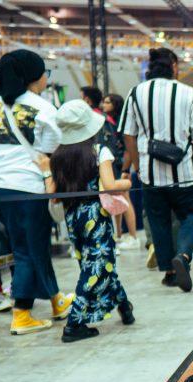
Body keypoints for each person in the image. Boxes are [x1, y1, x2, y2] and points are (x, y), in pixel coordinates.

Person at [0, 49, 74, 335]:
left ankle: (56, 300)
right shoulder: (43, 107)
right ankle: (22, 313)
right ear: (34, 77)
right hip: (28, 188)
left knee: (34, 245)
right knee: (27, 249)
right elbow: (54, 149)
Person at [119, 47, 193, 292]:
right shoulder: (189, 93)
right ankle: (183, 255)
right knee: (192, 213)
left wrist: (138, 165)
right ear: (174, 66)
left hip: (151, 174)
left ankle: (170, 273)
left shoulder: (135, 93)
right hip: (185, 174)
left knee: (158, 221)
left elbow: (128, 134)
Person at [44, 99, 134, 342]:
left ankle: (125, 307)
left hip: (73, 217)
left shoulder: (58, 156)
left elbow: (53, 194)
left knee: (97, 263)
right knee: (95, 267)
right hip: (96, 216)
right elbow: (111, 185)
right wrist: (127, 183)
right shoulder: (99, 152)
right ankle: (74, 325)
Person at [100, 93, 140, 249]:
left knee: (125, 199)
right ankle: (119, 234)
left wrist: (125, 169)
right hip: (113, 165)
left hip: (119, 166)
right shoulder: (108, 122)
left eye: (107, 102)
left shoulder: (121, 123)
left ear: (115, 105)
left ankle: (133, 236)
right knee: (117, 200)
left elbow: (129, 149)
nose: (104, 105)